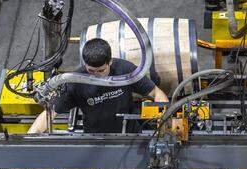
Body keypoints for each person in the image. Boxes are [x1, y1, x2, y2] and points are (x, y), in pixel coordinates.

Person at [28, 37, 169, 134]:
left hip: (129, 133)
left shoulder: (124, 70)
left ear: (110, 62)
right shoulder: (76, 81)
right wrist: (30, 136)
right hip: (96, 138)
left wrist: (164, 123)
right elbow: (50, 112)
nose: (96, 75)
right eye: (91, 71)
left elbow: (157, 93)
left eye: (101, 70)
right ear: (85, 64)